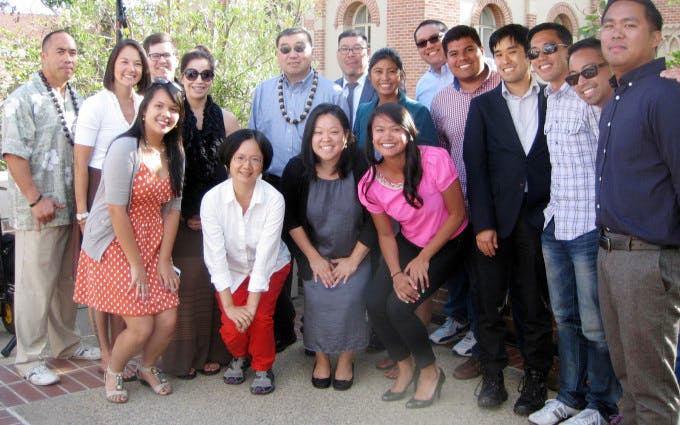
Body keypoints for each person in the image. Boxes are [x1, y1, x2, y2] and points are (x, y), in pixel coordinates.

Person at [525, 24, 621, 425]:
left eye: (549, 47)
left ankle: (602, 405)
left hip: (587, 226)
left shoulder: (590, 96)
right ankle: (568, 397)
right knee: (564, 318)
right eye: (534, 51)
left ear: (567, 50)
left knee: (596, 324)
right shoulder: (549, 97)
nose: (541, 56)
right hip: (555, 223)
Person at [74, 80, 185, 403]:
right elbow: (116, 210)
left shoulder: (174, 151)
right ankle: (114, 371)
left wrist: (165, 259)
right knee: (140, 326)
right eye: (159, 106)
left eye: (173, 109)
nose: (166, 114)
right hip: (116, 243)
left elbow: (173, 210)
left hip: (153, 242)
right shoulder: (125, 147)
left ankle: (148, 367)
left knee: (168, 318)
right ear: (145, 109)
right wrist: (136, 264)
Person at [595, 1, 680, 423]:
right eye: (609, 25)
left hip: (648, 261)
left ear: (655, 37)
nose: (615, 33)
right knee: (627, 378)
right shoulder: (617, 98)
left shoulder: (666, 95)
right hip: (611, 254)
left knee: (652, 389)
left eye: (629, 25)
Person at [463, 24, 553, 414]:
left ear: (529, 54)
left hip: (538, 218)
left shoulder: (554, 98)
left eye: (513, 51)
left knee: (532, 304)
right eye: (498, 54)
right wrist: (482, 223)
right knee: (488, 302)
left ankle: (535, 378)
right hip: (493, 224)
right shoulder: (484, 106)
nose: (505, 61)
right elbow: (475, 167)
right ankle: (494, 373)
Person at [2, 29, 100, 387]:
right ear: (43, 55)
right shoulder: (23, 98)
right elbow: (13, 153)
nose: (68, 58)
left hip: (70, 209)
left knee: (63, 284)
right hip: (39, 213)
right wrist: (34, 198)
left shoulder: (75, 98)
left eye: (73, 52)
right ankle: (28, 358)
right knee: (35, 287)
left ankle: (67, 345)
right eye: (60, 51)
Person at [358, 103, 470, 409]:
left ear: (409, 132)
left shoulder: (435, 159)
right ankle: (404, 365)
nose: (387, 136)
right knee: (374, 300)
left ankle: (430, 371)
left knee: (399, 308)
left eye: (395, 128)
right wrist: (396, 274)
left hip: (449, 240)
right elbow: (384, 234)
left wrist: (424, 258)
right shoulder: (370, 182)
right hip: (409, 241)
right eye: (379, 130)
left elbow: (457, 214)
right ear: (371, 136)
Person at [249, 27, 343, 352]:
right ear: (277, 54)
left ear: (312, 51)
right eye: (285, 49)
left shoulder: (332, 91)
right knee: (272, 260)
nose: (292, 54)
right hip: (272, 185)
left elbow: (342, 144)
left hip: (316, 185)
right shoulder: (262, 91)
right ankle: (282, 329)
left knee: (311, 261)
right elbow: (254, 142)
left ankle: (316, 336)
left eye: (299, 48)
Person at [281, 103, 375, 390]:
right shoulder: (297, 169)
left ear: (346, 136)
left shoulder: (360, 165)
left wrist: (353, 261)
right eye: (319, 132)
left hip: (356, 251)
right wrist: (313, 259)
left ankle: (346, 360)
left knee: (350, 300)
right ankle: (321, 358)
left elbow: (375, 219)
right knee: (318, 298)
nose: (326, 138)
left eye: (334, 132)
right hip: (315, 251)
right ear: (310, 136)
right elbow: (291, 219)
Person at [158, 47, 238, 380]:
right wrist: (188, 212)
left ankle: (213, 353)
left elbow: (239, 171)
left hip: (218, 218)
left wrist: (215, 215)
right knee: (187, 284)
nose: (199, 80)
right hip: (180, 216)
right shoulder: (169, 119)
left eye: (206, 74)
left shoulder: (228, 118)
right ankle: (182, 357)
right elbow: (163, 172)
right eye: (192, 73)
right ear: (181, 77)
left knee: (214, 282)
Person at [73, 38, 150, 382]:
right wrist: (81, 211)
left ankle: (122, 347)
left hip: (134, 196)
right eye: (125, 61)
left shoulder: (143, 102)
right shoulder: (96, 104)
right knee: (98, 273)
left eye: (137, 63)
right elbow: (80, 161)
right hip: (100, 191)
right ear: (112, 65)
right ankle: (105, 350)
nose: (131, 69)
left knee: (120, 277)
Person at [428, 25, 502, 381]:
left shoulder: (504, 85)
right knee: (470, 275)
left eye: (468, 50)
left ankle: (489, 347)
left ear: (481, 50)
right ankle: (474, 333)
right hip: (461, 205)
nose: (462, 59)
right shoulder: (442, 100)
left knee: (498, 279)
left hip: (503, 203)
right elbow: (440, 154)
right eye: (454, 53)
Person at [201, 129, 291, 395]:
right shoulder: (212, 200)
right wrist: (229, 305)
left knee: (260, 318)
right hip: (231, 270)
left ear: (263, 164)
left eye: (255, 159)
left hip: (272, 266)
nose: (247, 166)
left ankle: (263, 366)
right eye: (240, 158)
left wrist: (251, 306)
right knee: (231, 326)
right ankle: (240, 355)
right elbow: (214, 255)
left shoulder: (273, 199)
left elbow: (266, 254)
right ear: (228, 160)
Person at [353, 48, 437, 150]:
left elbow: (431, 155)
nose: (385, 77)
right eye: (378, 71)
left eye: (392, 71)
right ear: (369, 76)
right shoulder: (363, 111)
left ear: (400, 75)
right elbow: (356, 151)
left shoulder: (418, 111)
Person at [334, 30, 377, 128]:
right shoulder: (331, 90)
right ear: (338, 54)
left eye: (357, 48)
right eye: (344, 49)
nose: (350, 54)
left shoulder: (380, 88)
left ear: (368, 53)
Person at [413, 19, 452, 110]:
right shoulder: (422, 86)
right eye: (422, 43)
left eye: (434, 38)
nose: (429, 46)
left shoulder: (466, 71)